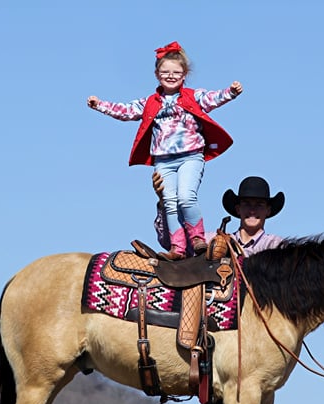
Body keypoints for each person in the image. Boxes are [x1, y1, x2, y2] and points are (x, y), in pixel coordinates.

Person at [88, 41, 243, 260]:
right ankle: (178, 249)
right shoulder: (151, 102)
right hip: (163, 160)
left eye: (176, 72)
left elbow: (213, 98)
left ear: (184, 74)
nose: (170, 76)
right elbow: (125, 110)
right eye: (165, 72)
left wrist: (231, 92)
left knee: (186, 197)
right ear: (156, 74)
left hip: (191, 155)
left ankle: (197, 238)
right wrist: (100, 105)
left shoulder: (192, 97)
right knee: (169, 202)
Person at [203, 175, 285, 404]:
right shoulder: (220, 244)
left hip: (256, 356)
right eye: (247, 204)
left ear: (267, 211)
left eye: (259, 205)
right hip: (218, 353)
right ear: (237, 209)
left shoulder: (278, 249)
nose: (253, 209)